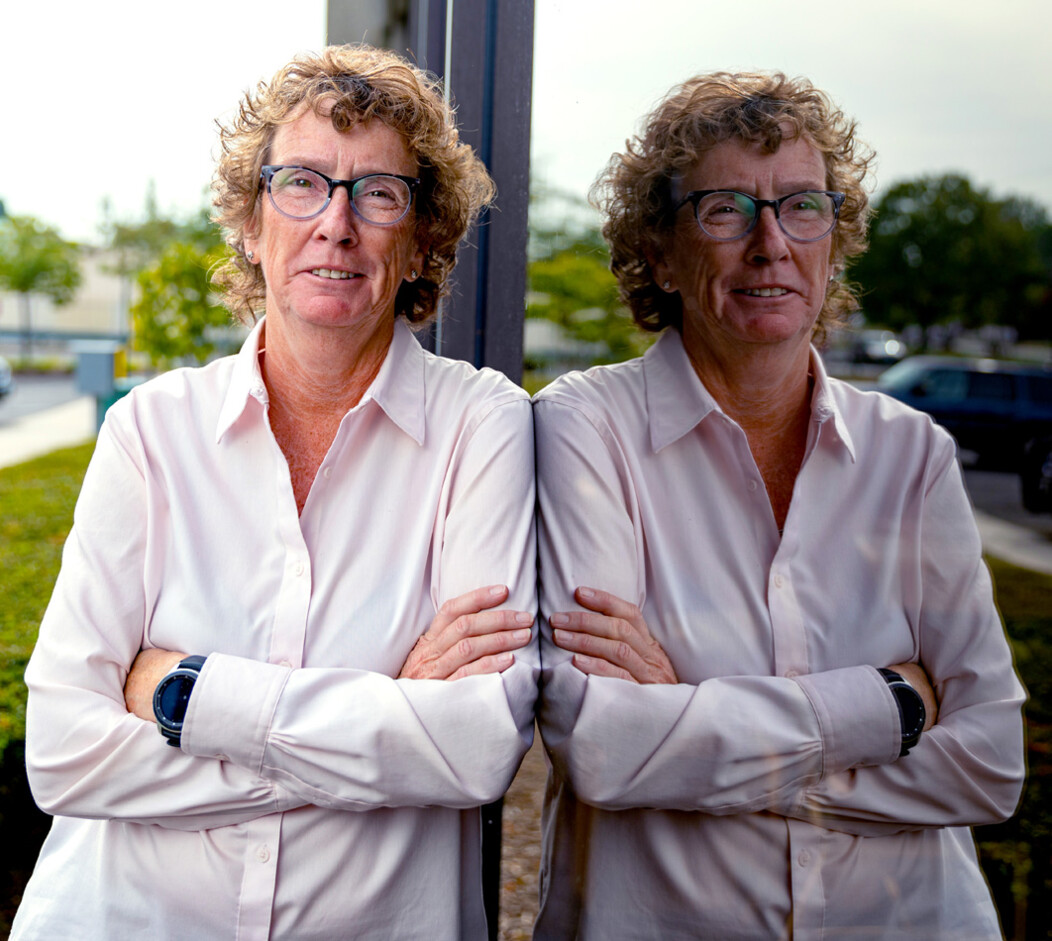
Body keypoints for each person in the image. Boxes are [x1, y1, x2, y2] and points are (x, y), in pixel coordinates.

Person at [14, 44, 537, 939]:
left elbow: (475, 746)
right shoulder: (150, 430)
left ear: (421, 241)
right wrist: (383, 718)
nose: (336, 222)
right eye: (301, 182)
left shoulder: (480, 425)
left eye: (379, 193)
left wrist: (189, 699)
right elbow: (62, 752)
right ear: (251, 225)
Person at [533, 72, 1025, 939]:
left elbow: (989, 766)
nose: (771, 244)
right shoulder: (587, 428)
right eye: (725, 209)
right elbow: (608, 749)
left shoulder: (911, 455)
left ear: (834, 240)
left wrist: (692, 719)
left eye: (803, 206)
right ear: (658, 251)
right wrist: (891, 709)